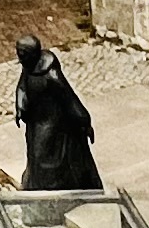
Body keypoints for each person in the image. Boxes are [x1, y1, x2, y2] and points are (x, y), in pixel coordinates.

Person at [14, 33, 102, 191]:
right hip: (36, 123)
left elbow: (70, 99)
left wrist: (84, 120)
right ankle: (35, 186)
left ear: (32, 55)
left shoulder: (52, 76)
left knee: (45, 158)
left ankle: (52, 190)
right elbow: (23, 85)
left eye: (22, 55)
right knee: (34, 157)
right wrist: (21, 105)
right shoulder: (29, 66)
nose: (20, 60)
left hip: (52, 127)